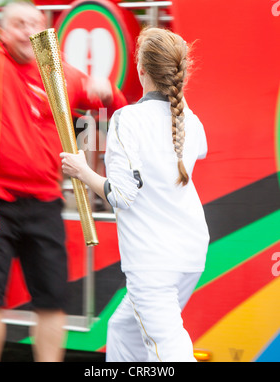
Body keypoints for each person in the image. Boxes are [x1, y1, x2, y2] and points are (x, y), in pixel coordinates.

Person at [0, 0, 126, 361]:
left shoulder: (59, 73)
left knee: (52, 299)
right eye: (19, 23)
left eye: (35, 23)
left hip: (44, 202)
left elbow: (121, 107)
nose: (28, 29)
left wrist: (108, 93)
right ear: (2, 31)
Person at [60, 26, 210, 362]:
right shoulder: (190, 120)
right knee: (123, 330)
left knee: (169, 350)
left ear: (140, 70)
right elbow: (198, 149)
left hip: (152, 259)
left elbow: (122, 196)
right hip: (189, 253)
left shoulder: (128, 119)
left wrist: (82, 172)